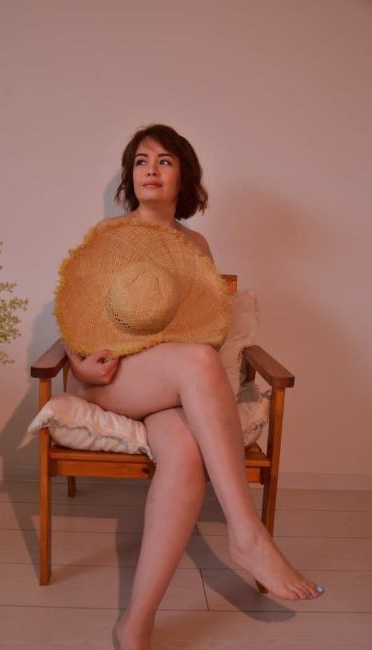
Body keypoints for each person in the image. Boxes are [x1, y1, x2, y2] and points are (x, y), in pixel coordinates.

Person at [64, 124, 325, 650]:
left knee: (184, 454)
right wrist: (80, 366)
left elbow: (203, 323)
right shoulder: (109, 234)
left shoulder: (195, 244)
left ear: (184, 177)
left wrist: (180, 354)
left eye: (164, 161)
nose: (151, 170)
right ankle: (247, 533)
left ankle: (135, 623)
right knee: (200, 361)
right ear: (130, 175)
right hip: (113, 379)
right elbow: (75, 314)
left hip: (171, 381)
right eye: (141, 161)